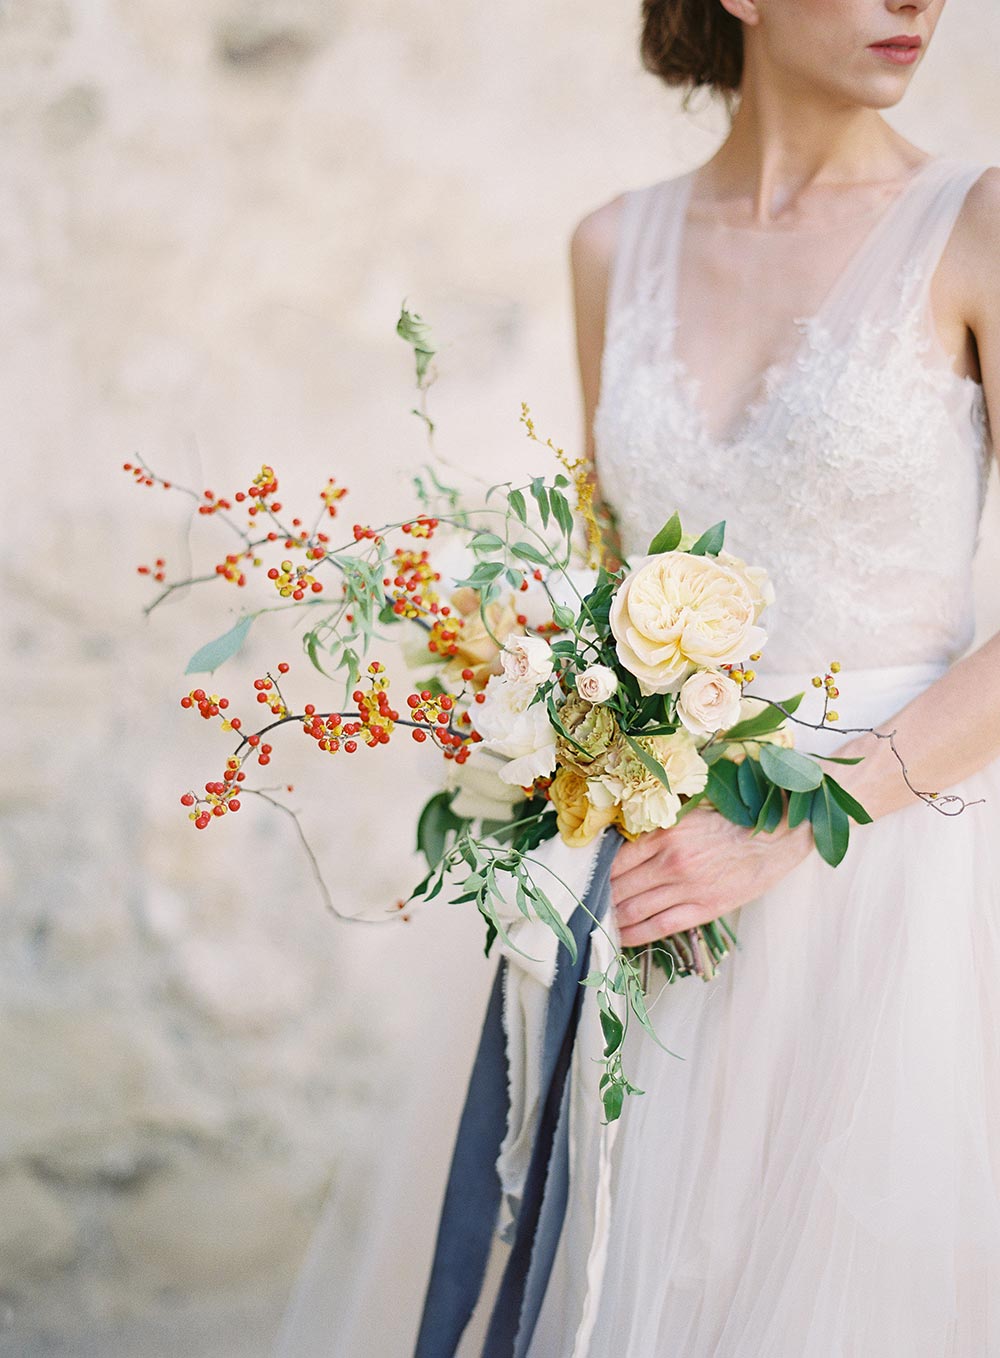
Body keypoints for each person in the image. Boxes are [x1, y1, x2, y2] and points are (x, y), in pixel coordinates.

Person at [275, 1, 1000, 1353]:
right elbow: (607, 588)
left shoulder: (981, 226)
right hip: (655, 892)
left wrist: (784, 828)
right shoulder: (614, 246)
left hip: (899, 891)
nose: (920, 0)